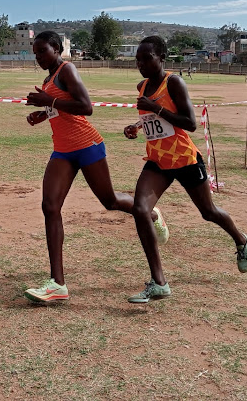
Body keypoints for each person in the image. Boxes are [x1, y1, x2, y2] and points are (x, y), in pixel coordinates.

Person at [23, 31, 167, 304]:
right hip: (63, 151)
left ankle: (151, 213)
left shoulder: (67, 70)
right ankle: (57, 284)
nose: (38, 57)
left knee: (110, 201)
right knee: (50, 207)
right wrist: (41, 114)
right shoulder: (48, 79)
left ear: (57, 48)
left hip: (88, 146)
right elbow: (61, 110)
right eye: (35, 52)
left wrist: (48, 102)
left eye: (42, 51)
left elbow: (85, 107)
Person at [122, 36, 247, 304]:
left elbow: (190, 123)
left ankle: (241, 240)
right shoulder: (142, 86)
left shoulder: (174, 82)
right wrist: (136, 125)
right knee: (140, 209)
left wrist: (155, 107)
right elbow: (152, 118)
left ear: (162, 58)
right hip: (158, 161)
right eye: (138, 58)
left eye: (147, 58)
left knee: (208, 212)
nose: (141, 63)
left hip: (185, 159)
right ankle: (159, 283)